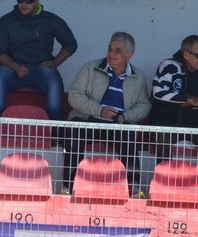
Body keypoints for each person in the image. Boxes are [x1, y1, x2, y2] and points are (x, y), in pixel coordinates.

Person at [64, 32, 151, 196]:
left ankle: (133, 190)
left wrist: (126, 116)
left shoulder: (138, 76)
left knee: (129, 136)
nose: (111, 53)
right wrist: (99, 110)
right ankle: (69, 187)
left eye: (117, 50)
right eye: (110, 48)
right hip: (89, 119)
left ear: (129, 55)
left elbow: (144, 105)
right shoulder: (91, 67)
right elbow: (74, 95)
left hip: (118, 124)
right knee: (73, 133)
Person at [0, 0, 77, 121]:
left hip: (42, 68)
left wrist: (55, 63)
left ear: (37, 1)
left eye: (28, 1)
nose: (23, 4)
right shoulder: (6, 21)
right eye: (20, 0)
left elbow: (70, 43)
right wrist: (15, 66)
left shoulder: (50, 19)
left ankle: (55, 133)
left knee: (55, 85)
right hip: (13, 69)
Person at [151, 35, 198, 200]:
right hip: (169, 120)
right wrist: (190, 99)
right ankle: (162, 190)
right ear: (186, 54)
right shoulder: (169, 65)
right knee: (162, 137)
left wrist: (191, 103)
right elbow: (158, 93)